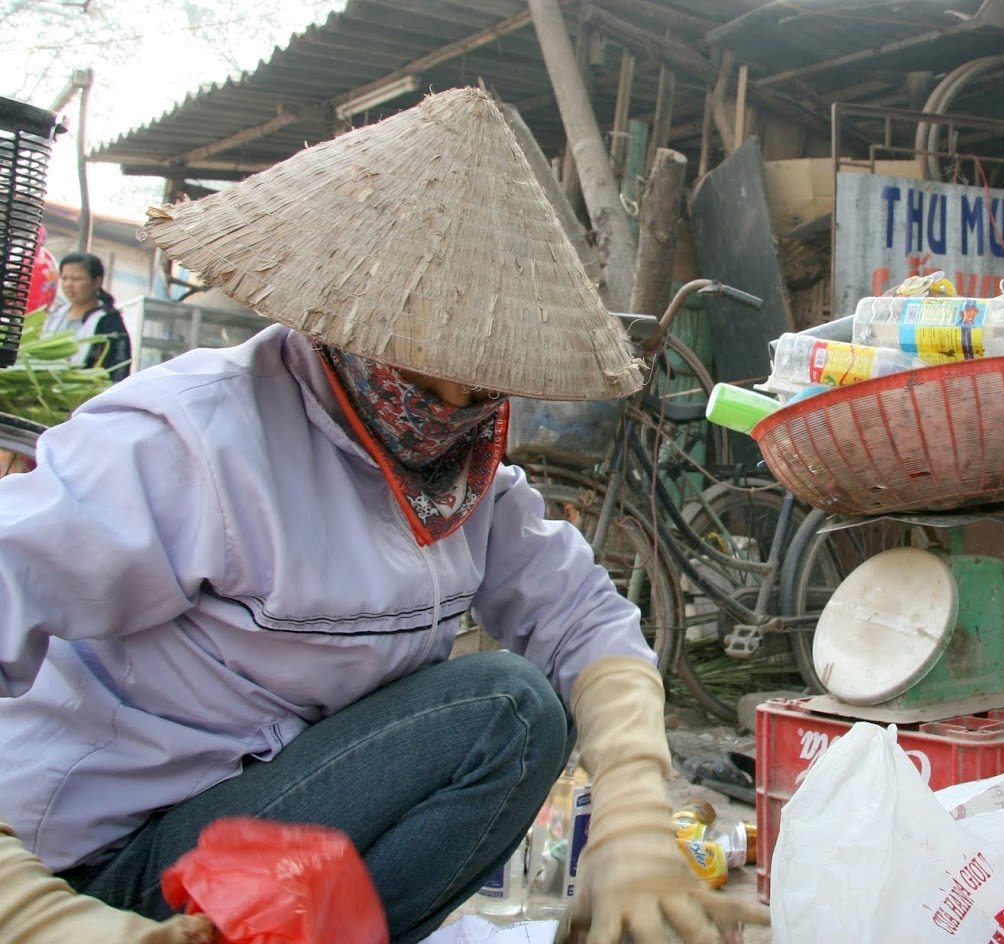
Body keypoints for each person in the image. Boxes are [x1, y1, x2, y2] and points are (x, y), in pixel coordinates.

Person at [0, 87, 767, 944]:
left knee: (514, 723)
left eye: (474, 388)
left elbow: (585, 619)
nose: (445, 410)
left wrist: (632, 813)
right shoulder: (191, 439)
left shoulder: (466, 476)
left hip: (248, 839)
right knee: (505, 702)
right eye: (419, 374)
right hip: (92, 861)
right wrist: (35, 915)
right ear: (341, 325)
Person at [46, 251, 132, 381]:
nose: (68, 284)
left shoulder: (108, 321)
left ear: (97, 282)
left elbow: (118, 368)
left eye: (76, 279)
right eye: (64, 278)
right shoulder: (55, 315)